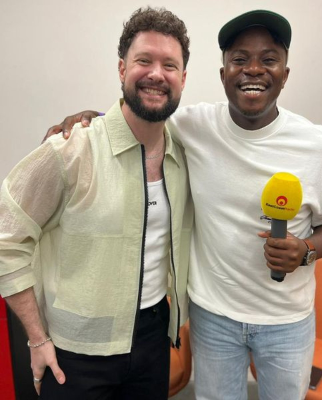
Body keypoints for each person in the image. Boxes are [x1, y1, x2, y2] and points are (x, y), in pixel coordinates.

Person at [43, 9, 322, 400]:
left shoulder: (316, 146)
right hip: (213, 317)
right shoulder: (193, 126)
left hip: (287, 321)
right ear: (223, 74)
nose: (253, 69)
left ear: (285, 74)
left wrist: (306, 250)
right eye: (240, 59)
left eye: (269, 59)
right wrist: (92, 119)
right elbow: (140, 113)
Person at [0, 7, 193, 400]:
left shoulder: (186, 153)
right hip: (74, 353)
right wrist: (37, 339)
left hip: (153, 341)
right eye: (144, 60)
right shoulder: (71, 149)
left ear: (183, 78)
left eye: (169, 65)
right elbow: (6, 237)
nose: (157, 74)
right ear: (122, 69)